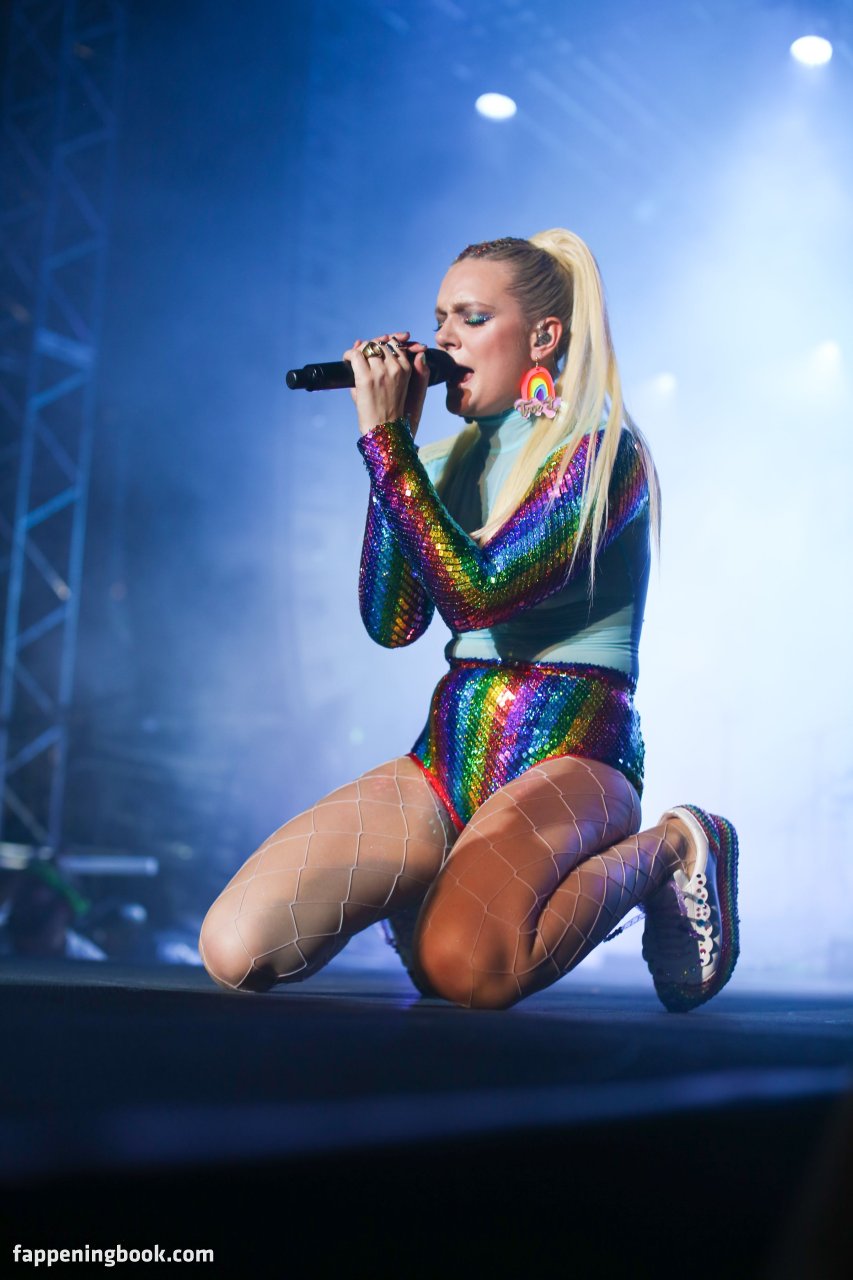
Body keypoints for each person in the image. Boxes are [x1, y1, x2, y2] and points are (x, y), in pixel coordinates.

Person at [198, 230, 739, 1012]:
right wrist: (395, 451)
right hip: (449, 752)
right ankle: (435, 891)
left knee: (467, 969)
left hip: (574, 753)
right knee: (236, 948)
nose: (443, 338)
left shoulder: (602, 456)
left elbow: (479, 596)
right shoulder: (437, 461)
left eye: (471, 318)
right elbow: (392, 623)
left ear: (542, 338)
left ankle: (674, 846)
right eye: (439, 318)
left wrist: (386, 445)